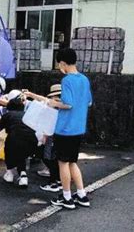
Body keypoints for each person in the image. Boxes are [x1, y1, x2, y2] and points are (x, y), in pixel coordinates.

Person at [46, 48, 92, 210]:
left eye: (59, 64)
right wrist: (63, 100)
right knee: (72, 162)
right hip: (78, 128)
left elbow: (68, 104)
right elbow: (88, 102)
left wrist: (55, 103)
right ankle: (81, 194)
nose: (59, 67)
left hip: (65, 129)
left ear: (63, 63)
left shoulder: (66, 80)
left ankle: (66, 197)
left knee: (63, 163)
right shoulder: (84, 79)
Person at [24, 84, 63, 192]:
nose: (52, 99)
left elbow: (49, 121)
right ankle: (58, 180)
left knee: (49, 158)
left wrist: (45, 135)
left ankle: (54, 182)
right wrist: (31, 94)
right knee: (54, 158)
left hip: (53, 135)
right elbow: (44, 100)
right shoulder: (63, 105)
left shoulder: (57, 105)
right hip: (59, 135)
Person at [0, 97, 38, 188]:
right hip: (32, 140)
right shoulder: (27, 114)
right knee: (21, 155)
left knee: (9, 151)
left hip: (14, 140)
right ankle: (23, 176)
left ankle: (9, 174)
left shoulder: (8, 115)